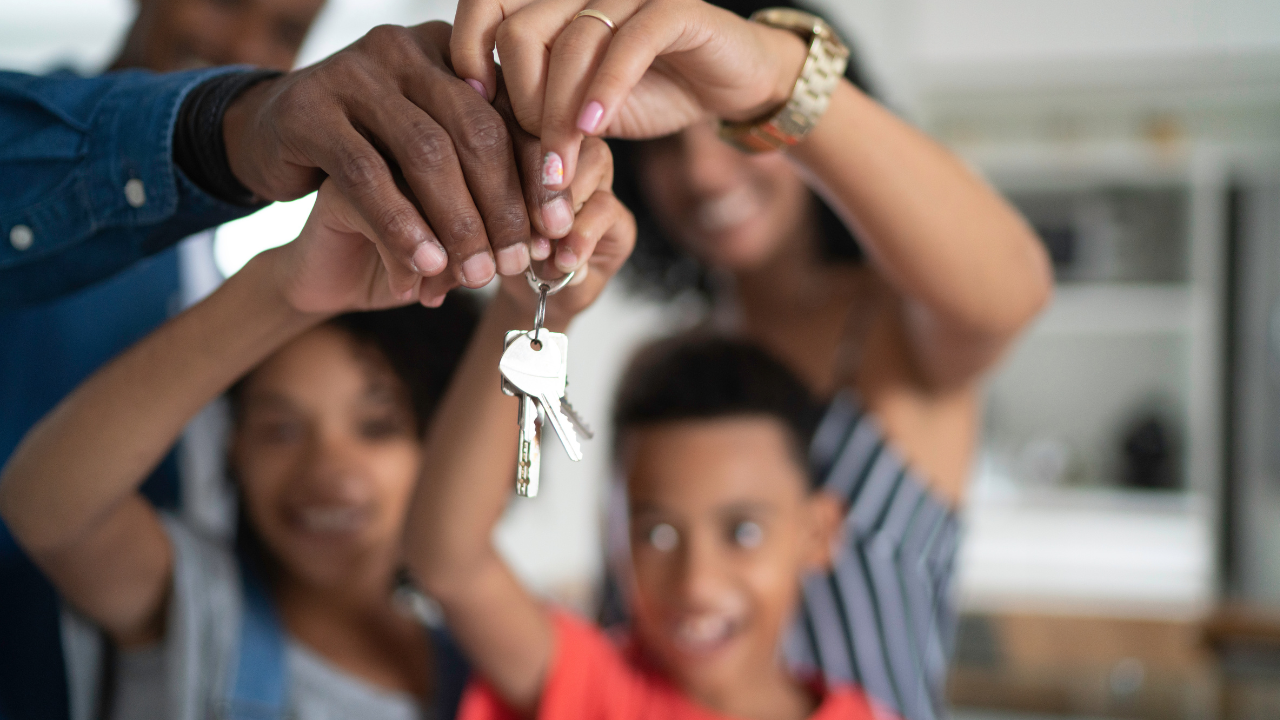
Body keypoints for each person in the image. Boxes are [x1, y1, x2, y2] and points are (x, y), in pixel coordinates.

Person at [445, 1, 1055, 718]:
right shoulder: (668, 365)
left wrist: (772, 72)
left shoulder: (898, 333)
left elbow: (1011, 290)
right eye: (669, 140)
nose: (703, 171)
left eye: (733, 130)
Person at [0, 96, 631, 719]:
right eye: (279, 429)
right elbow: (50, 508)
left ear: (445, 439)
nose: (326, 470)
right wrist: (287, 291)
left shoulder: (487, 665)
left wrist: (527, 308)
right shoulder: (196, 610)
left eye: (377, 427)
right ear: (232, 448)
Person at [406, 325, 884, 718]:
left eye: (743, 532)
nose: (696, 583)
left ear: (818, 533)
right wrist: (528, 310)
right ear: (611, 535)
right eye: (657, 534)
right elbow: (450, 562)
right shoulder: (596, 690)